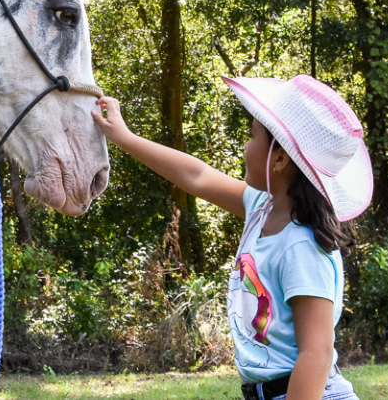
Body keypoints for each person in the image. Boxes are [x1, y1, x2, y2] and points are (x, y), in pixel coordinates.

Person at [92, 75, 370, 400]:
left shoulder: (303, 247)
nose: (244, 146)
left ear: (279, 159)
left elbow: (316, 355)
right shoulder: (261, 207)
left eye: (252, 136)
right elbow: (197, 176)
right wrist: (125, 138)